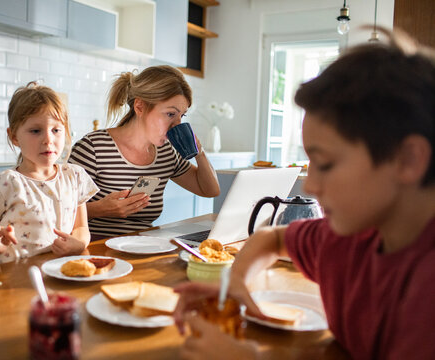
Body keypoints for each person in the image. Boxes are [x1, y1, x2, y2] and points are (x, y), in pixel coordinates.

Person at [173, 28, 435, 360]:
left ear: (408, 159)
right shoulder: (350, 239)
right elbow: (271, 239)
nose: (310, 186)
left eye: (324, 163)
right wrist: (235, 284)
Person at [69, 65, 220, 238]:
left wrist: (199, 151)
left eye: (182, 116)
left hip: (145, 248)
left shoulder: (166, 153)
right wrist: (99, 210)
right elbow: (56, 212)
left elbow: (210, 190)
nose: (177, 125)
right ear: (140, 107)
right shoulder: (93, 148)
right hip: (97, 250)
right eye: (170, 114)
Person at [0, 82, 98, 267]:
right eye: (35, 131)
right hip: (7, 281)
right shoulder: (6, 182)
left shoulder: (75, 176)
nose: (48, 139)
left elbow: (81, 228)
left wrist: (78, 244)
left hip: (53, 276)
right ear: (14, 136)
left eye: (56, 130)